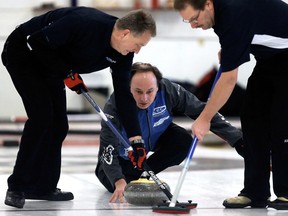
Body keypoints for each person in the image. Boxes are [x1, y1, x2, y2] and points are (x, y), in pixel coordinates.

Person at [1, 7, 156, 208]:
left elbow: (123, 97)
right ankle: (17, 186)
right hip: (23, 52)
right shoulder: (84, 22)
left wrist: (137, 140)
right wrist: (67, 72)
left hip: (52, 63)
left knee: (59, 125)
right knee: (42, 118)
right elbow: (36, 41)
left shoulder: (123, 54)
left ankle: (42, 186)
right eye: (138, 44)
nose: (137, 51)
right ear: (125, 33)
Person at [174, 0, 288, 210]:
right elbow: (244, 32)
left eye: (194, 18)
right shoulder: (221, 15)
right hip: (270, 59)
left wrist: (205, 118)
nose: (193, 25)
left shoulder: (233, 13)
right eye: (187, 21)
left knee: (282, 122)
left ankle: (286, 192)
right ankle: (255, 192)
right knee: (252, 118)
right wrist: (230, 49)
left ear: (207, 4)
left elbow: (228, 80)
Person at [95, 62, 244, 203]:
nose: (144, 98)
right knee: (121, 183)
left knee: (182, 140)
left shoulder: (168, 90)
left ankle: (144, 174)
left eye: (150, 91)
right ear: (129, 87)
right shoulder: (115, 104)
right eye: (138, 92)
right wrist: (118, 180)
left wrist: (237, 139)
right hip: (118, 162)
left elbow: (203, 111)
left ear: (158, 87)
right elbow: (108, 149)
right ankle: (132, 176)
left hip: (151, 143)